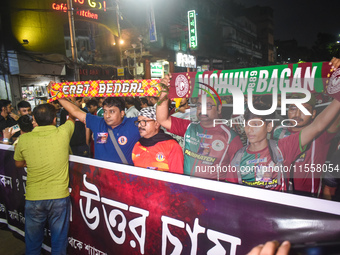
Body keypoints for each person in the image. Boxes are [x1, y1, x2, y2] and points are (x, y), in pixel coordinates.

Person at [13, 103, 75, 255]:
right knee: (59, 242)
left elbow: (18, 163)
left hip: (34, 198)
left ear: (33, 119)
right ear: (54, 119)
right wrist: (71, 102)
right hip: (59, 197)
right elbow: (72, 116)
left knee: (33, 243)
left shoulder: (24, 139)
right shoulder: (63, 133)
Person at [156, 75, 243, 181]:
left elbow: (236, 174)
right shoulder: (190, 127)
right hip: (188, 190)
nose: (202, 110)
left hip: (213, 194)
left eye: (208, 105)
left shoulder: (230, 137)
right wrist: (164, 93)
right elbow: (162, 119)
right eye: (199, 105)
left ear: (219, 109)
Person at [272, 93, 340, 197]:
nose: (298, 114)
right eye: (293, 108)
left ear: (313, 114)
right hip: (282, 196)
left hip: (310, 200)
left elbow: (335, 117)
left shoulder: (321, 132)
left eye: (305, 109)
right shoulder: (278, 131)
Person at [56, 91, 141, 164]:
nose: (107, 116)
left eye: (112, 111)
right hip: (101, 177)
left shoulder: (134, 124)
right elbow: (75, 111)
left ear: (122, 113)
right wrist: (56, 94)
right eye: (105, 111)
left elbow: (154, 122)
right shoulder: (98, 123)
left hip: (123, 178)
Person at [132, 107, 183, 174]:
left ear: (157, 124)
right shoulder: (138, 145)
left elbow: (177, 178)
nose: (139, 125)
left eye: (144, 121)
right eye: (138, 122)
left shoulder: (172, 146)